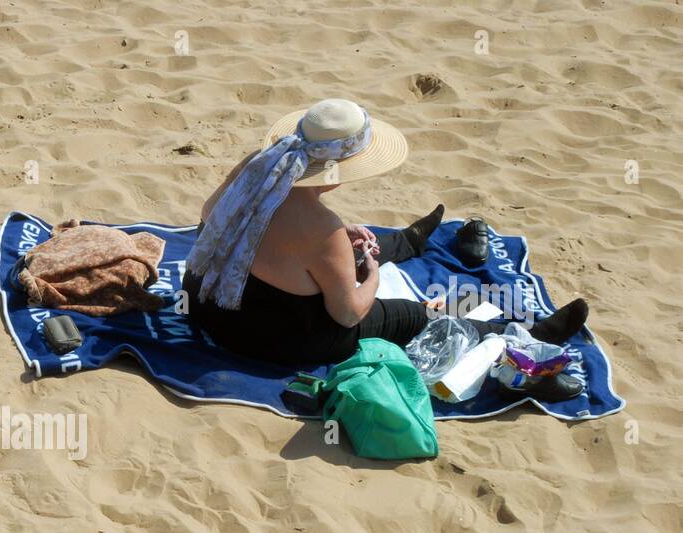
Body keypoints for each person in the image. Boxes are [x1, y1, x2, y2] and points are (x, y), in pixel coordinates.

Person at [182, 99, 589, 368]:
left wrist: (338, 240)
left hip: (205, 302)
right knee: (411, 313)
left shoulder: (260, 165)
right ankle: (521, 334)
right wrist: (371, 274)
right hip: (272, 339)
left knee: (350, 247)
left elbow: (210, 215)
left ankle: (410, 242)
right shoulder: (320, 228)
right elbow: (347, 313)